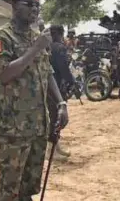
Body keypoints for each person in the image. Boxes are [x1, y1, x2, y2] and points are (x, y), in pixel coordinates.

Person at [0, 0, 69, 201]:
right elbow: (4, 74)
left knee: (29, 185)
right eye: (28, 4)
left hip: (38, 124)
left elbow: (48, 71)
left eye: (36, 5)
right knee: (10, 186)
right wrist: (34, 49)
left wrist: (61, 104)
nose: (34, 9)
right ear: (14, 7)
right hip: (13, 126)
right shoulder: (2, 37)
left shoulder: (37, 36)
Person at [48, 25, 74, 160]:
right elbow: (64, 68)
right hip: (57, 86)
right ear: (59, 33)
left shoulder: (47, 46)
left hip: (49, 87)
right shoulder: (59, 47)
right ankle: (50, 150)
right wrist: (72, 81)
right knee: (56, 118)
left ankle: (55, 146)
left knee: (53, 117)